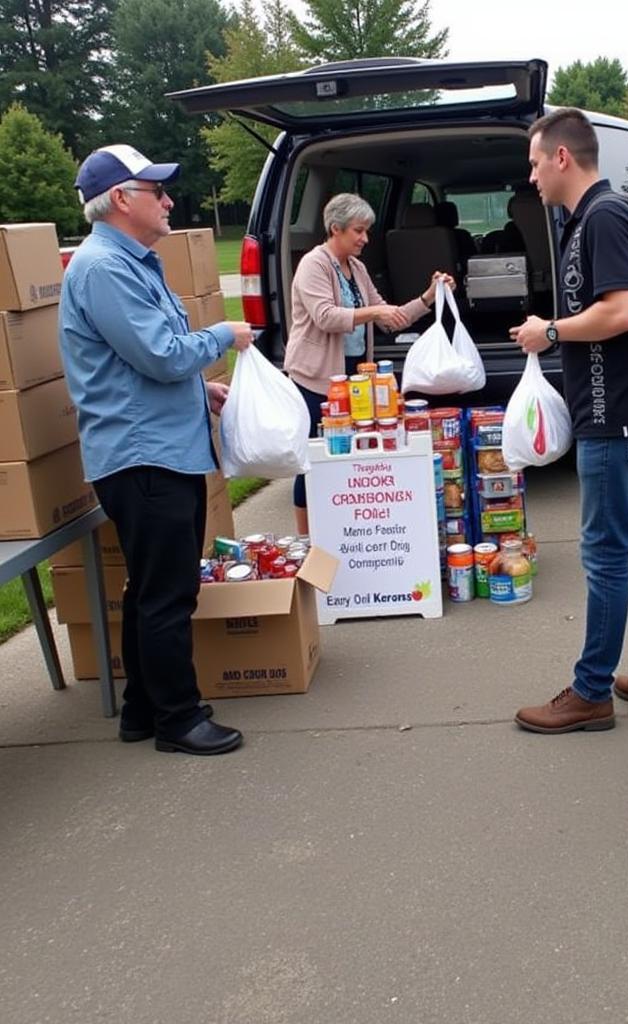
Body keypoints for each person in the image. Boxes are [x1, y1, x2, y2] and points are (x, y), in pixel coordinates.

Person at [59, 144, 253, 756]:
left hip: (158, 449)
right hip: (147, 458)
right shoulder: (105, 269)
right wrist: (224, 335)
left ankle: (143, 708)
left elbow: (147, 360)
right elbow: (163, 355)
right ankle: (178, 718)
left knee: (150, 588)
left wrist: (203, 389)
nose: (169, 202)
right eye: (156, 191)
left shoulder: (131, 262)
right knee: (169, 593)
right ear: (121, 199)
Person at [509, 109, 628, 734]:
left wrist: (549, 331)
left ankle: (590, 692)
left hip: (616, 418)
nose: (531, 177)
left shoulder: (604, 217)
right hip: (625, 413)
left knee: (605, 555)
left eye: (535, 163)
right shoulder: (588, 218)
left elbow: (623, 312)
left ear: (562, 157)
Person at [284, 193, 455, 534]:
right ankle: (305, 540)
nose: (365, 238)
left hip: (354, 380)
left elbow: (390, 319)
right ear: (335, 229)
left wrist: (428, 297)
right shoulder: (313, 265)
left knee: (350, 459)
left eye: (366, 231)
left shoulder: (357, 268)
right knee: (314, 461)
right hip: (316, 381)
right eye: (358, 231)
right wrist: (375, 311)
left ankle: (341, 532)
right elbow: (325, 316)